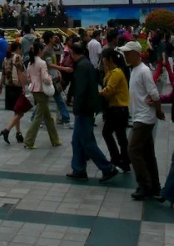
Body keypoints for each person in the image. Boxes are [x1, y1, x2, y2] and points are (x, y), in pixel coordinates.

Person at [66, 42, 119, 183]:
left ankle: (108, 168)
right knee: (77, 141)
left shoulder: (82, 66)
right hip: (87, 108)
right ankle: (78, 169)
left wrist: (76, 107)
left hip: (84, 109)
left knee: (87, 142)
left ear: (73, 53)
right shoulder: (86, 64)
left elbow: (81, 90)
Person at [118, 40, 164, 200]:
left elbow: (155, 94)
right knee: (147, 153)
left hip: (144, 118)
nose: (125, 55)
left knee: (133, 150)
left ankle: (145, 185)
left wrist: (158, 111)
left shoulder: (143, 71)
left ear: (136, 54)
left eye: (127, 53)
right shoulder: (135, 69)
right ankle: (155, 186)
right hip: (141, 116)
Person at [23, 40, 61, 150]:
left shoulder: (30, 62)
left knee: (47, 116)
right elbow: (45, 78)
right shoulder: (42, 63)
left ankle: (55, 140)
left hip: (34, 90)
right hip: (42, 91)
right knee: (39, 116)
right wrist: (50, 78)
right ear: (39, 50)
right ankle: (29, 141)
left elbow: (29, 78)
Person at [99, 47, 130, 173]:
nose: (103, 61)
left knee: (108, 133)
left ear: (109, 59)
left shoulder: (116, 72)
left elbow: (109, 89)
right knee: (120, 135)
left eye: (104, 59)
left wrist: (98, 93)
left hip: (118, 109)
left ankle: (118, 159)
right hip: (118, 109)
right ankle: (124, 161)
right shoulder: (113, 72)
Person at [0, 41, 24, 112]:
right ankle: (12, 123)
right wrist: (24, 87)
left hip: (8, 87)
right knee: (18, 111)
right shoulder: (18, 57)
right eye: (21, 49)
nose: (21, 51)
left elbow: (3, 74)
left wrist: (0, 87)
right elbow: (20, 73)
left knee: (16, 111)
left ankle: (15, 123)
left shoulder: (5, 59)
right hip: (17, 86)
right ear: (18, 48)